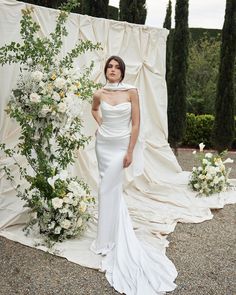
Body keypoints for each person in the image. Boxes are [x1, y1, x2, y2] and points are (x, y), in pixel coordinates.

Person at [90, 56, 177, 295]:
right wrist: (101, 124)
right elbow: (94, 109)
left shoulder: (132, 92)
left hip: (120, 148)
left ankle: (112, 238)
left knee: (111, 188)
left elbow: (136, 124)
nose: (113, 70)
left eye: (117, 67)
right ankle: (104, 239)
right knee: (104, 188)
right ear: (105, 71)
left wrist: (129, 151)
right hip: (103, 146)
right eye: (110, 66)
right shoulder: (99, 93)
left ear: (123, 71)